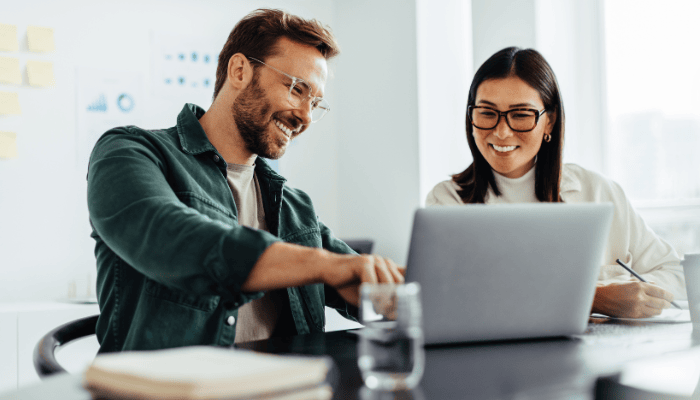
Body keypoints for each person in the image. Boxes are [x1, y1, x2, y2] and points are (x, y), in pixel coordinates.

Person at [87, 8, 403, 353]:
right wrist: (325, 265)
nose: (306, 116)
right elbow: (172, 237)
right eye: (297, 89)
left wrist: (392, 289)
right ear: (239, 70)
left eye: (315, 102)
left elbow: (355, 276)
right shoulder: (130, 151)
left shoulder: (295, 206)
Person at [426, 47, 685, 319]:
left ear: (549, 122)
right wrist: (594, 297)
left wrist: (634, 295)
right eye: (487, 113)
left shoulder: (597, 191)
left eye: (521, 115)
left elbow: (677, 275)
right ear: (471, 117)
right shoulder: (447, 202)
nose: (501, 131)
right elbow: (455, 298)